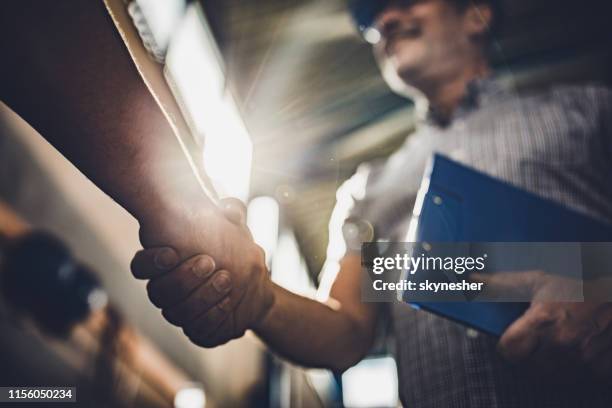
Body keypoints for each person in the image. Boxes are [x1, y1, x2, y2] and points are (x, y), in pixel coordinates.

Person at [132, 0, 612, 407]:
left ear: (477, 15)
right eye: (372, 18)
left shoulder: (588, 113)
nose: (385, 18)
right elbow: (346, 331)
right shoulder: (368, 189)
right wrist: (262, 300)